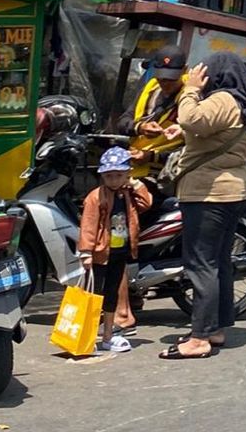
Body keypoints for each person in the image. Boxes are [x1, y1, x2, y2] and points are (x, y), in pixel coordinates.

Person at [160, 53, 246, 360]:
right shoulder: (243, 103)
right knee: (219, 262)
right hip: (230, 192)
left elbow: (191, 118)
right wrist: (183, 133)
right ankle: (215, 329)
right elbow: (210, 131)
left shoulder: (223, 99)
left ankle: (200, 338)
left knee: (201, 264)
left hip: (209, 194)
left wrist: (190, 89)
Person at [115, 44, 186, 334]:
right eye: (162, 77)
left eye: (172, 78)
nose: (166, 83)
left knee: (119, 228)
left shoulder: (191, 97)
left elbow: (192, 143)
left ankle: (125, 306)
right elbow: (122, 121)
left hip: (165, 176)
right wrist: (140, 128)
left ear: (183, 73)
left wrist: (152, 155)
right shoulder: (149, 89)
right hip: (132, 169)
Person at [78, 147, 152, 354]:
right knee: (94, 295)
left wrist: (135, 183)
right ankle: (88, 337)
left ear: (127, 174)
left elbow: (146, 203)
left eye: (118, 175)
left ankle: (108, 336)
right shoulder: (95, 197)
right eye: (109, 176)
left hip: (119, 252)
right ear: (102, 176)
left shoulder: (127, 193)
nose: (113, 180)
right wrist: (86, 251)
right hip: (100, 254)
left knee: (112, 295)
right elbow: (89, 224)